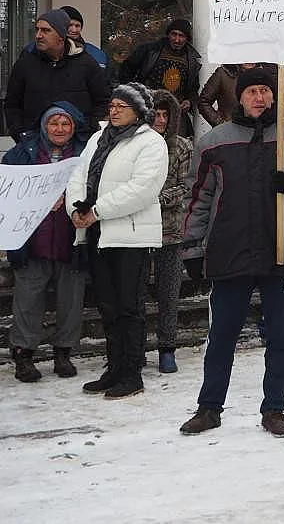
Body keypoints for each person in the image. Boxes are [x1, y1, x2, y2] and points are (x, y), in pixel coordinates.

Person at [178, 68, 284, 438]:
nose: (259, 98)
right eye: (252, 92)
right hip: (231, 250)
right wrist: (193, 248)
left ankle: (274, 409)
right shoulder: (215, 142)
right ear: (239, 97)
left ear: (273, 96)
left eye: (265, 91)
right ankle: (209, 407)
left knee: (281, 337)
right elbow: (198, 198)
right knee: (222, 336)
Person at [66, 82, 169, 399]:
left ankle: (132, 372)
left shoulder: (151, 143)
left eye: (122, 106)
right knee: (108, 305)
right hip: (98, 233)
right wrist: (76, 209)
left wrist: (97, 211)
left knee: (129, 306)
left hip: (130, 236)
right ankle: (114, 368)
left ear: (139, 111)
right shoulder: (99, 138)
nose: (113, 110)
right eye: (112, 104)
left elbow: (143, 189)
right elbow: (79, 175)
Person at [4, 102, 89, 382]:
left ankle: (63, 352)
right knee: (27, 300)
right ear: (44, 125)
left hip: (71, 240)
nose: (60, 129)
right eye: (54, 123)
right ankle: (23, 354)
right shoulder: (21, 154)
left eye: (66, 124)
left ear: (74, 127)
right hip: (32, 241)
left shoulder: (85, 154)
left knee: (71, 299)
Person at [5, 8, 109, 139]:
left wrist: (89, 132)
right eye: (37, 29)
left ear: (61, 35)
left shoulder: (87, 64)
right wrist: (21, 135)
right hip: (34, 146)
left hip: (78, 145)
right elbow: (12, 104)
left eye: (46, 30)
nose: (38, 35)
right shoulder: (25, 64)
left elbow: (102, 102)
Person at [149, 90, 193, 374]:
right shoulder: (133, 145)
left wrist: (155, 198)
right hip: (137, 231)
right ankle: (134, 348)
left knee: (169, 293)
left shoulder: (181, 147)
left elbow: (186, 185)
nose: (161, 120)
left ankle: (167, 347)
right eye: (156, 114)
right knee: (135, 293)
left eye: (166, 114)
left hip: (170, 230)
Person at [120, 18, 201, 136]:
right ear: (168, 34)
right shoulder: (150, 51)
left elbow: (194, 88)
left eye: (181, 36)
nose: (177, 39)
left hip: (176, 116)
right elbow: (126, 70)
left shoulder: (191, 61)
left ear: (187, 39)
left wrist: (189, 102)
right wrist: (133, 96)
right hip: (149, 111)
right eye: (174, 34)